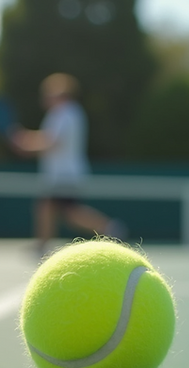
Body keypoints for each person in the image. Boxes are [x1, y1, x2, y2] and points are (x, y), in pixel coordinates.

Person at [10, 73, 125, 258]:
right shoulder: (63, 113)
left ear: (61, 93)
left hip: (65, 175)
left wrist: (27, 143)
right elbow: (49, 137)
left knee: (59, 209)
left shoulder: (66, 112)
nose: (46, 97)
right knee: (57, 210)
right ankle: (107, 228)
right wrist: (27, 139)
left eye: (50, 93)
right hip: (62, 175)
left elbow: (53, 141)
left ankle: (109, 228)